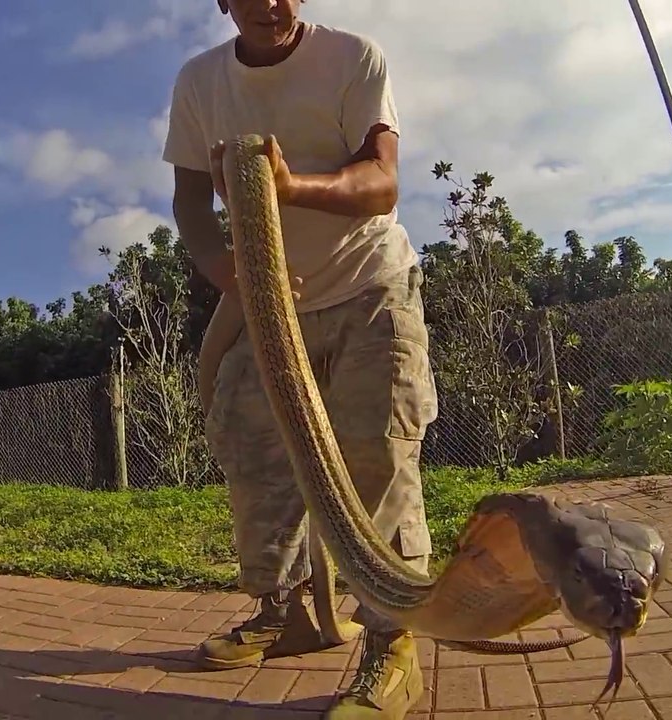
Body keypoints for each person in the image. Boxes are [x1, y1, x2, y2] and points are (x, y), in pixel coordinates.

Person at [163, 2, 437, 717]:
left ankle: (390, 643)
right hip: (267, 299)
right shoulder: (199, 82)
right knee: (252, 453)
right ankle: (282, 614)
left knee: (375, 457)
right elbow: (190, 198)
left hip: (368, 287)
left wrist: (290, 188)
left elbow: (382, 181)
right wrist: (230, 270)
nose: (268, 2)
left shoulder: (353, 58)